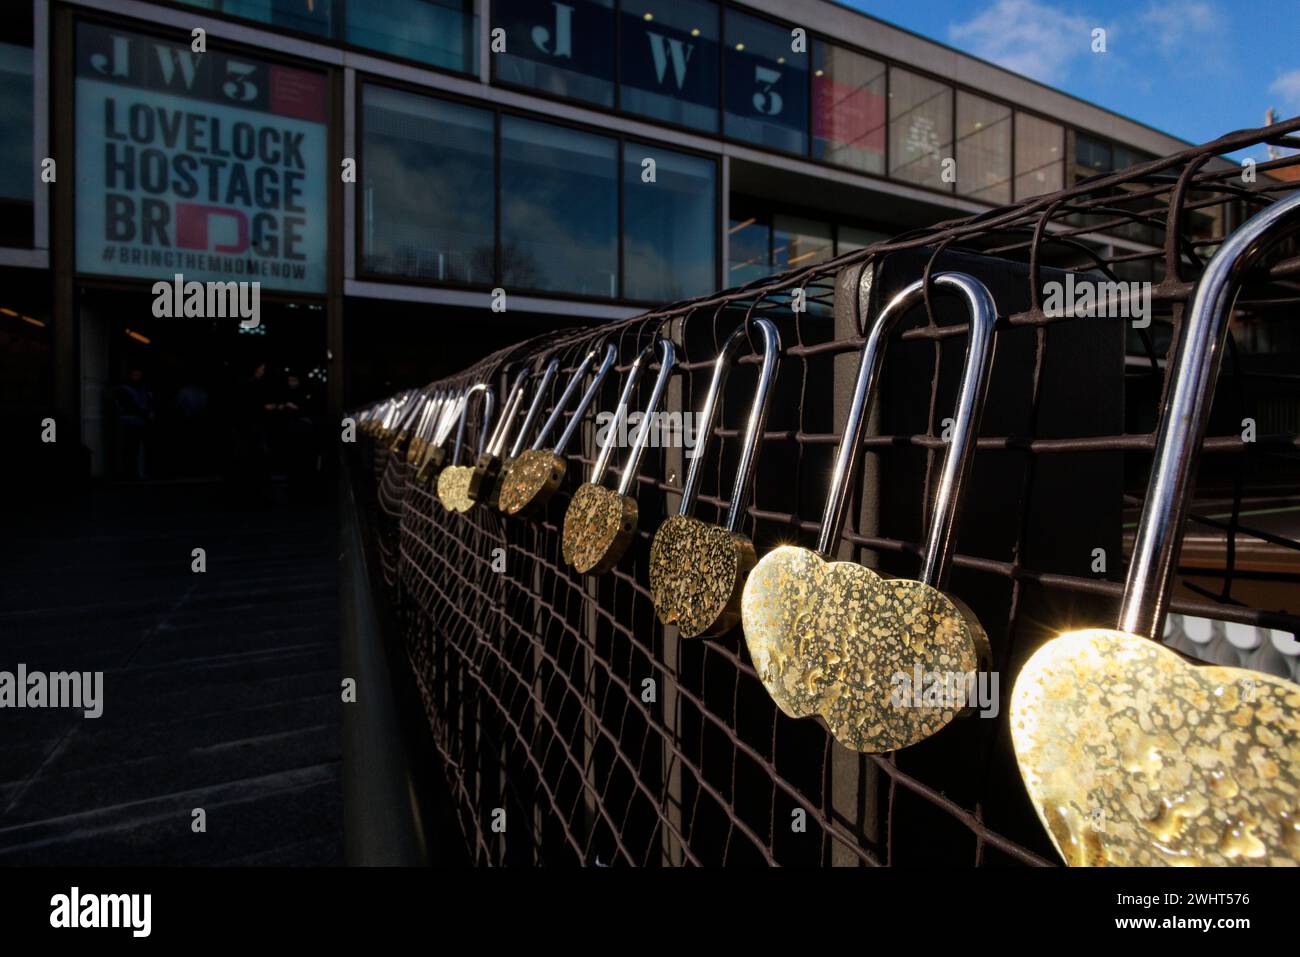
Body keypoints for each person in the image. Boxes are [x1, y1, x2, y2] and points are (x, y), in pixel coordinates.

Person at [113, 368, 154, 479]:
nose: (137, 377)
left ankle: (137, 472)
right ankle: (131, 473)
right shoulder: (124, 389)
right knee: (131, 447)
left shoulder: (143, 389)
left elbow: (146, 402)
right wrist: (145, 413)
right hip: (130, 421)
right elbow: (131, 405)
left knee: (137, 448)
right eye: (134, 375)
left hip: (139, 421)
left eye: (139, 375)